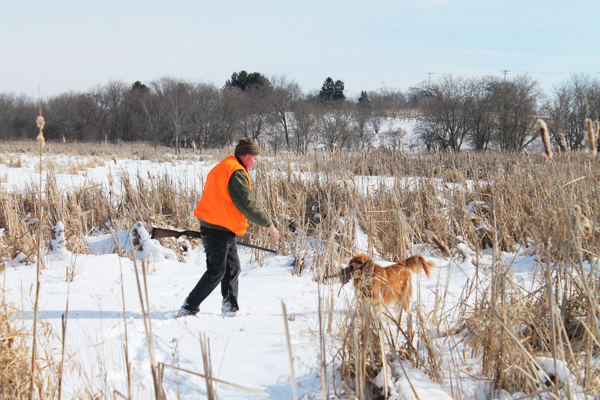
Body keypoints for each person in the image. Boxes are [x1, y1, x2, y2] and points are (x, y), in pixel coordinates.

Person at [177, 139, 280, 317]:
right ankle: (189, 306)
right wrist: (269, 224)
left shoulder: (225, 166)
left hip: (220, 226)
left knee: (232, 268)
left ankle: (230, 307)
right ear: (245, 156)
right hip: (218, 228)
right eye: (255, 158)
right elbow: (247, 204)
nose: (256, 163)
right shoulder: (236, 172)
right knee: (217, 270)